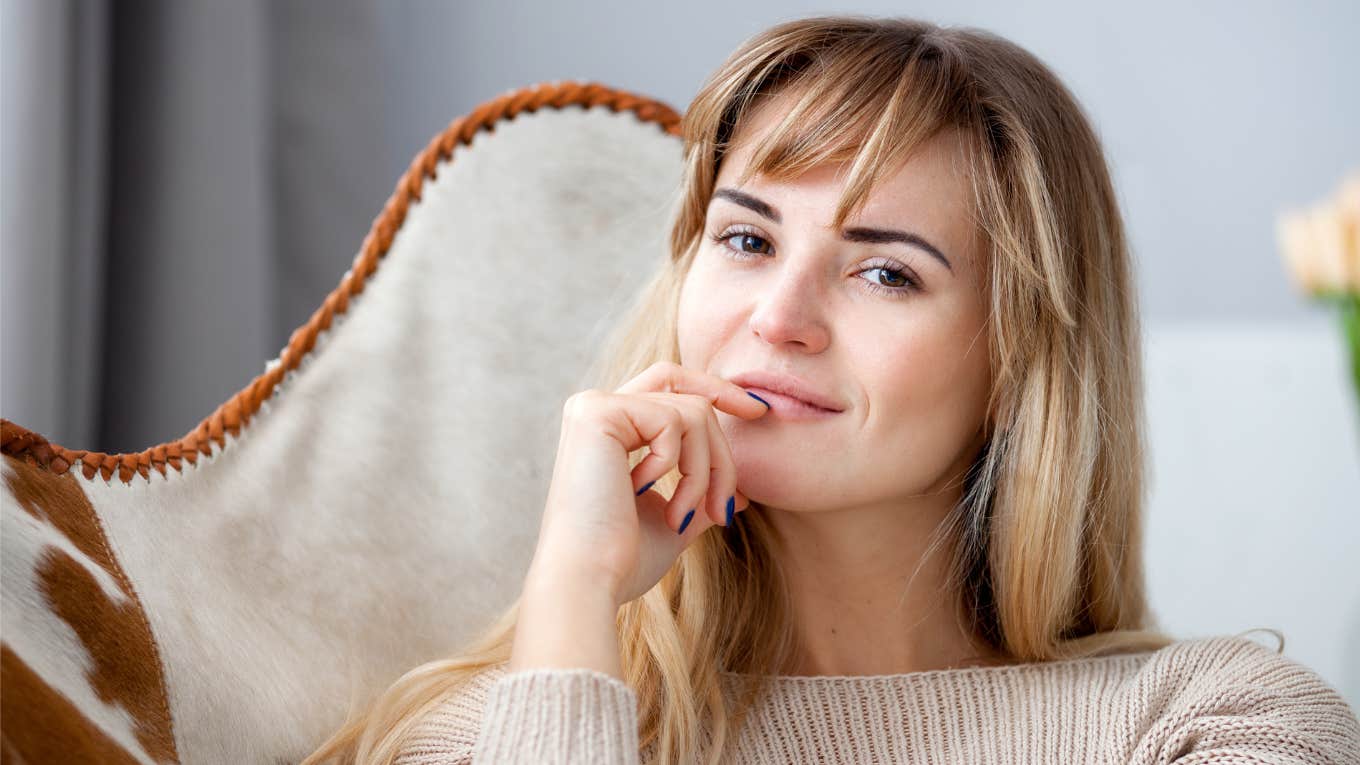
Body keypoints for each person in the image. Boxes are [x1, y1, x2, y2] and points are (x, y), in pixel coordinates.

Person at [305, 14, 1360, 765]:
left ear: (1018, 362)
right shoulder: (486, 737)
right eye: (747, 238)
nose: (778, 316)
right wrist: (573, 586)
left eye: (886, 270)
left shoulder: (1215, 730)